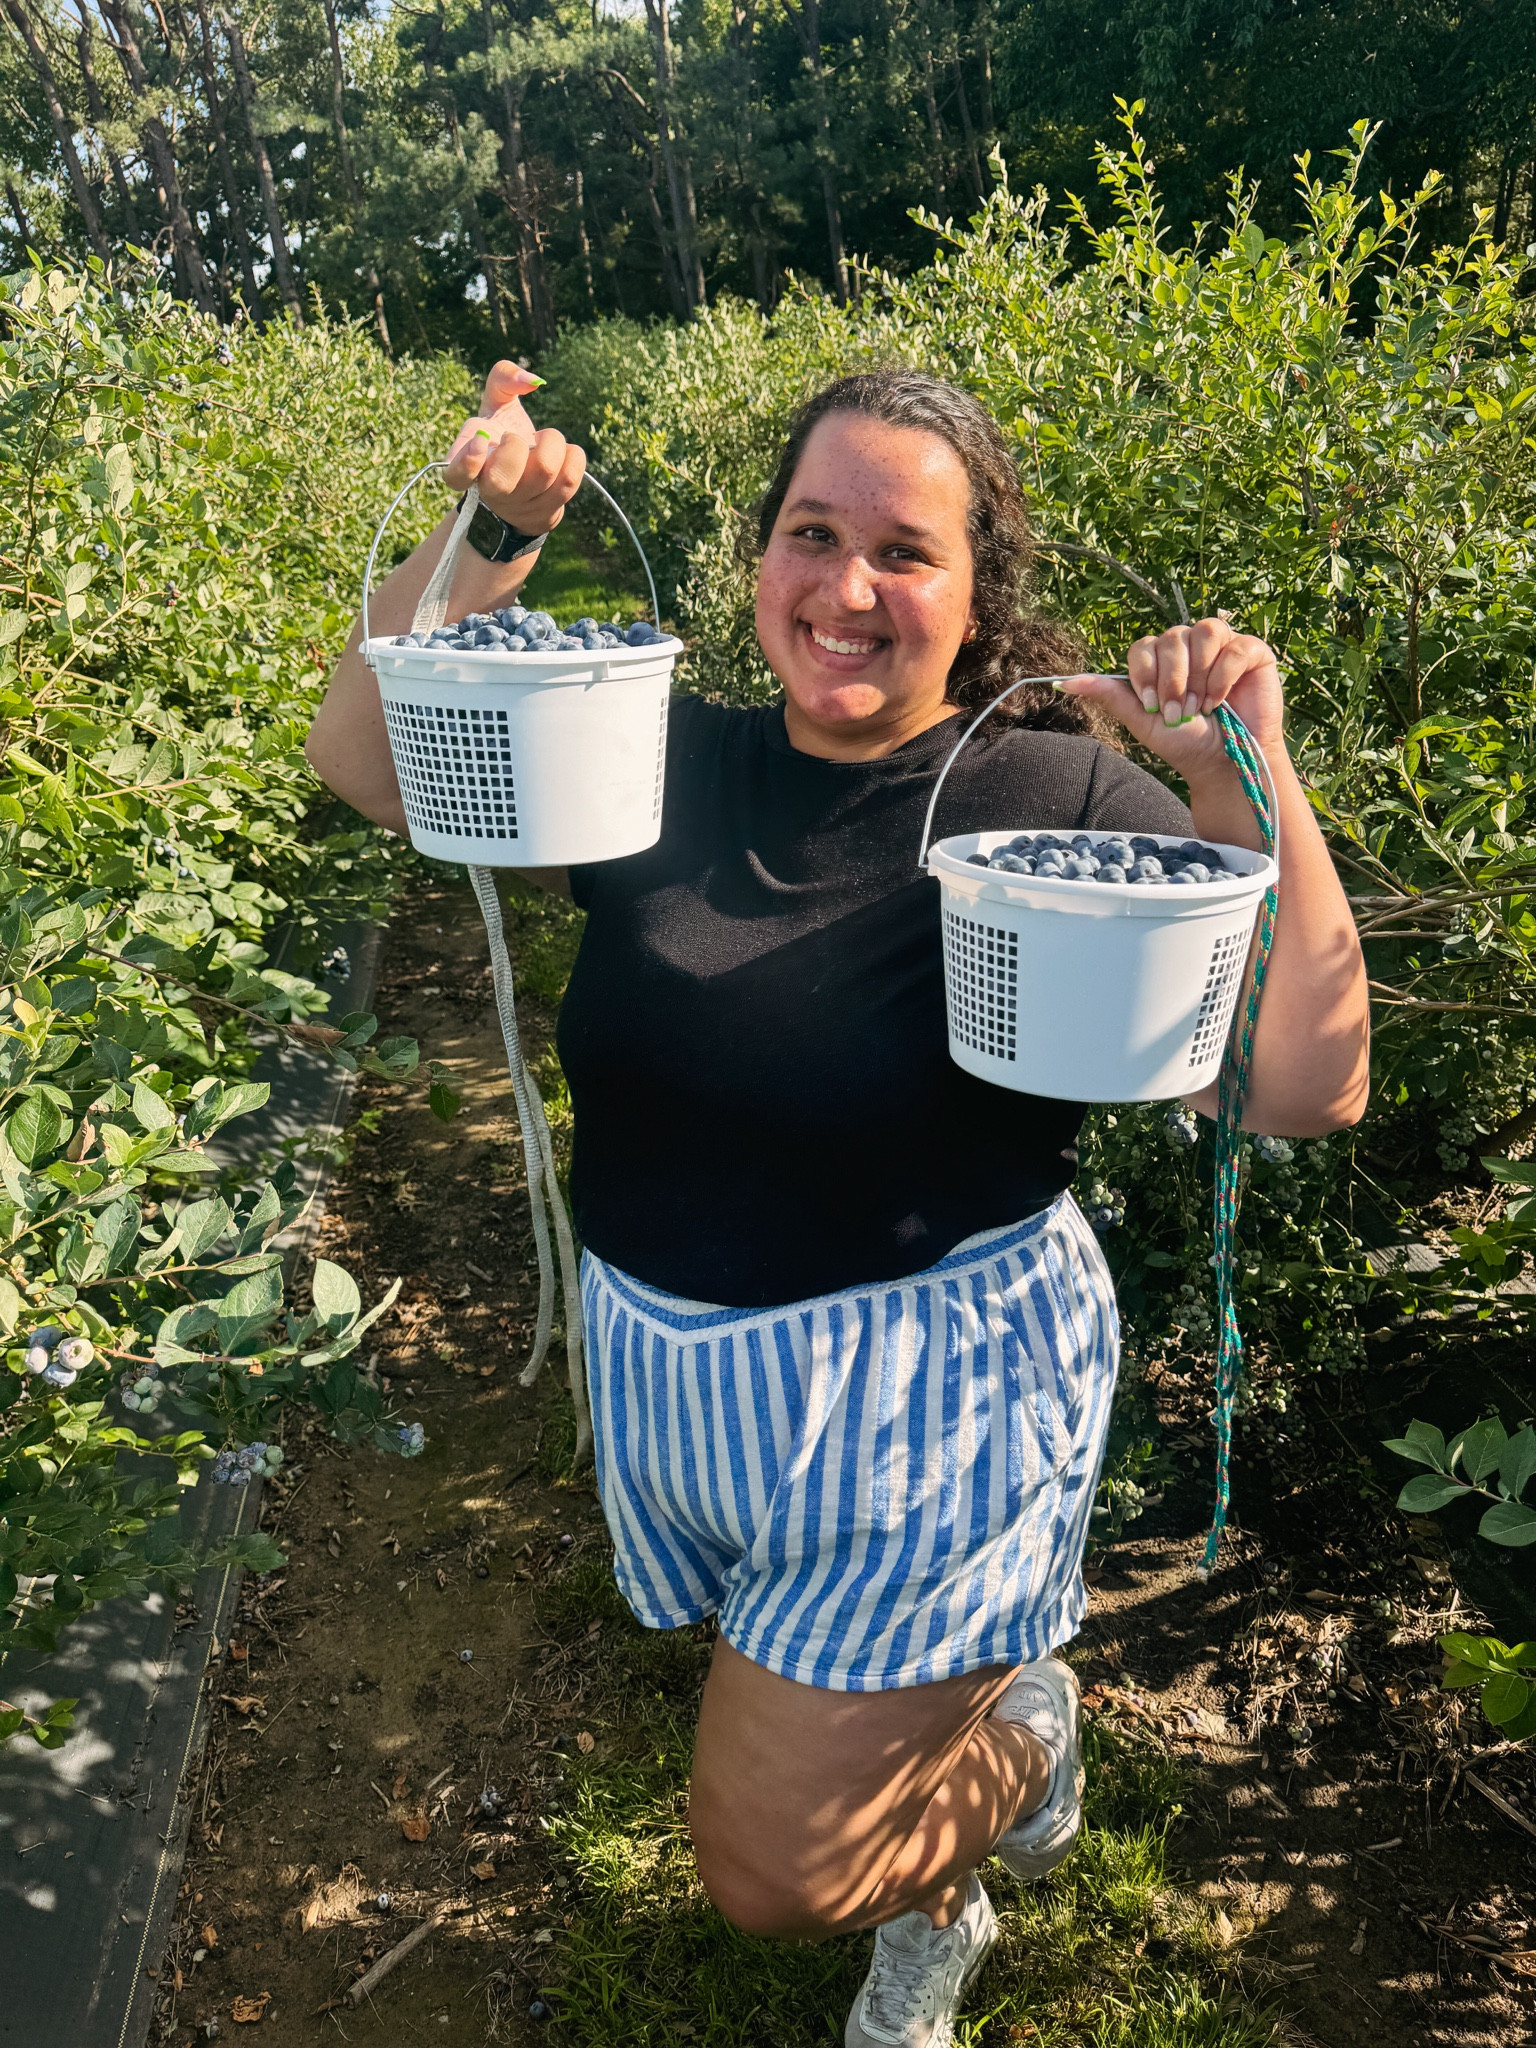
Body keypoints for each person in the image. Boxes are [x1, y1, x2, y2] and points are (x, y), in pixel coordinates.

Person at [308, 363, 1369, 2046]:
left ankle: (1023, 1744)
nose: (849, 588)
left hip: (927, 1407)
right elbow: (369, 763)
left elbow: (1306, 1085)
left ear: (976, 595)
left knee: (778, 1870)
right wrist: (493, 530)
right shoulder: (654, 763)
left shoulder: (1045, 795)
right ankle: (935, 1848)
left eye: (907, 551)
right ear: (755, 566)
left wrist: (1249, 775)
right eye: (812, 533)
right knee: (814, 1727)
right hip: (670, 1377)